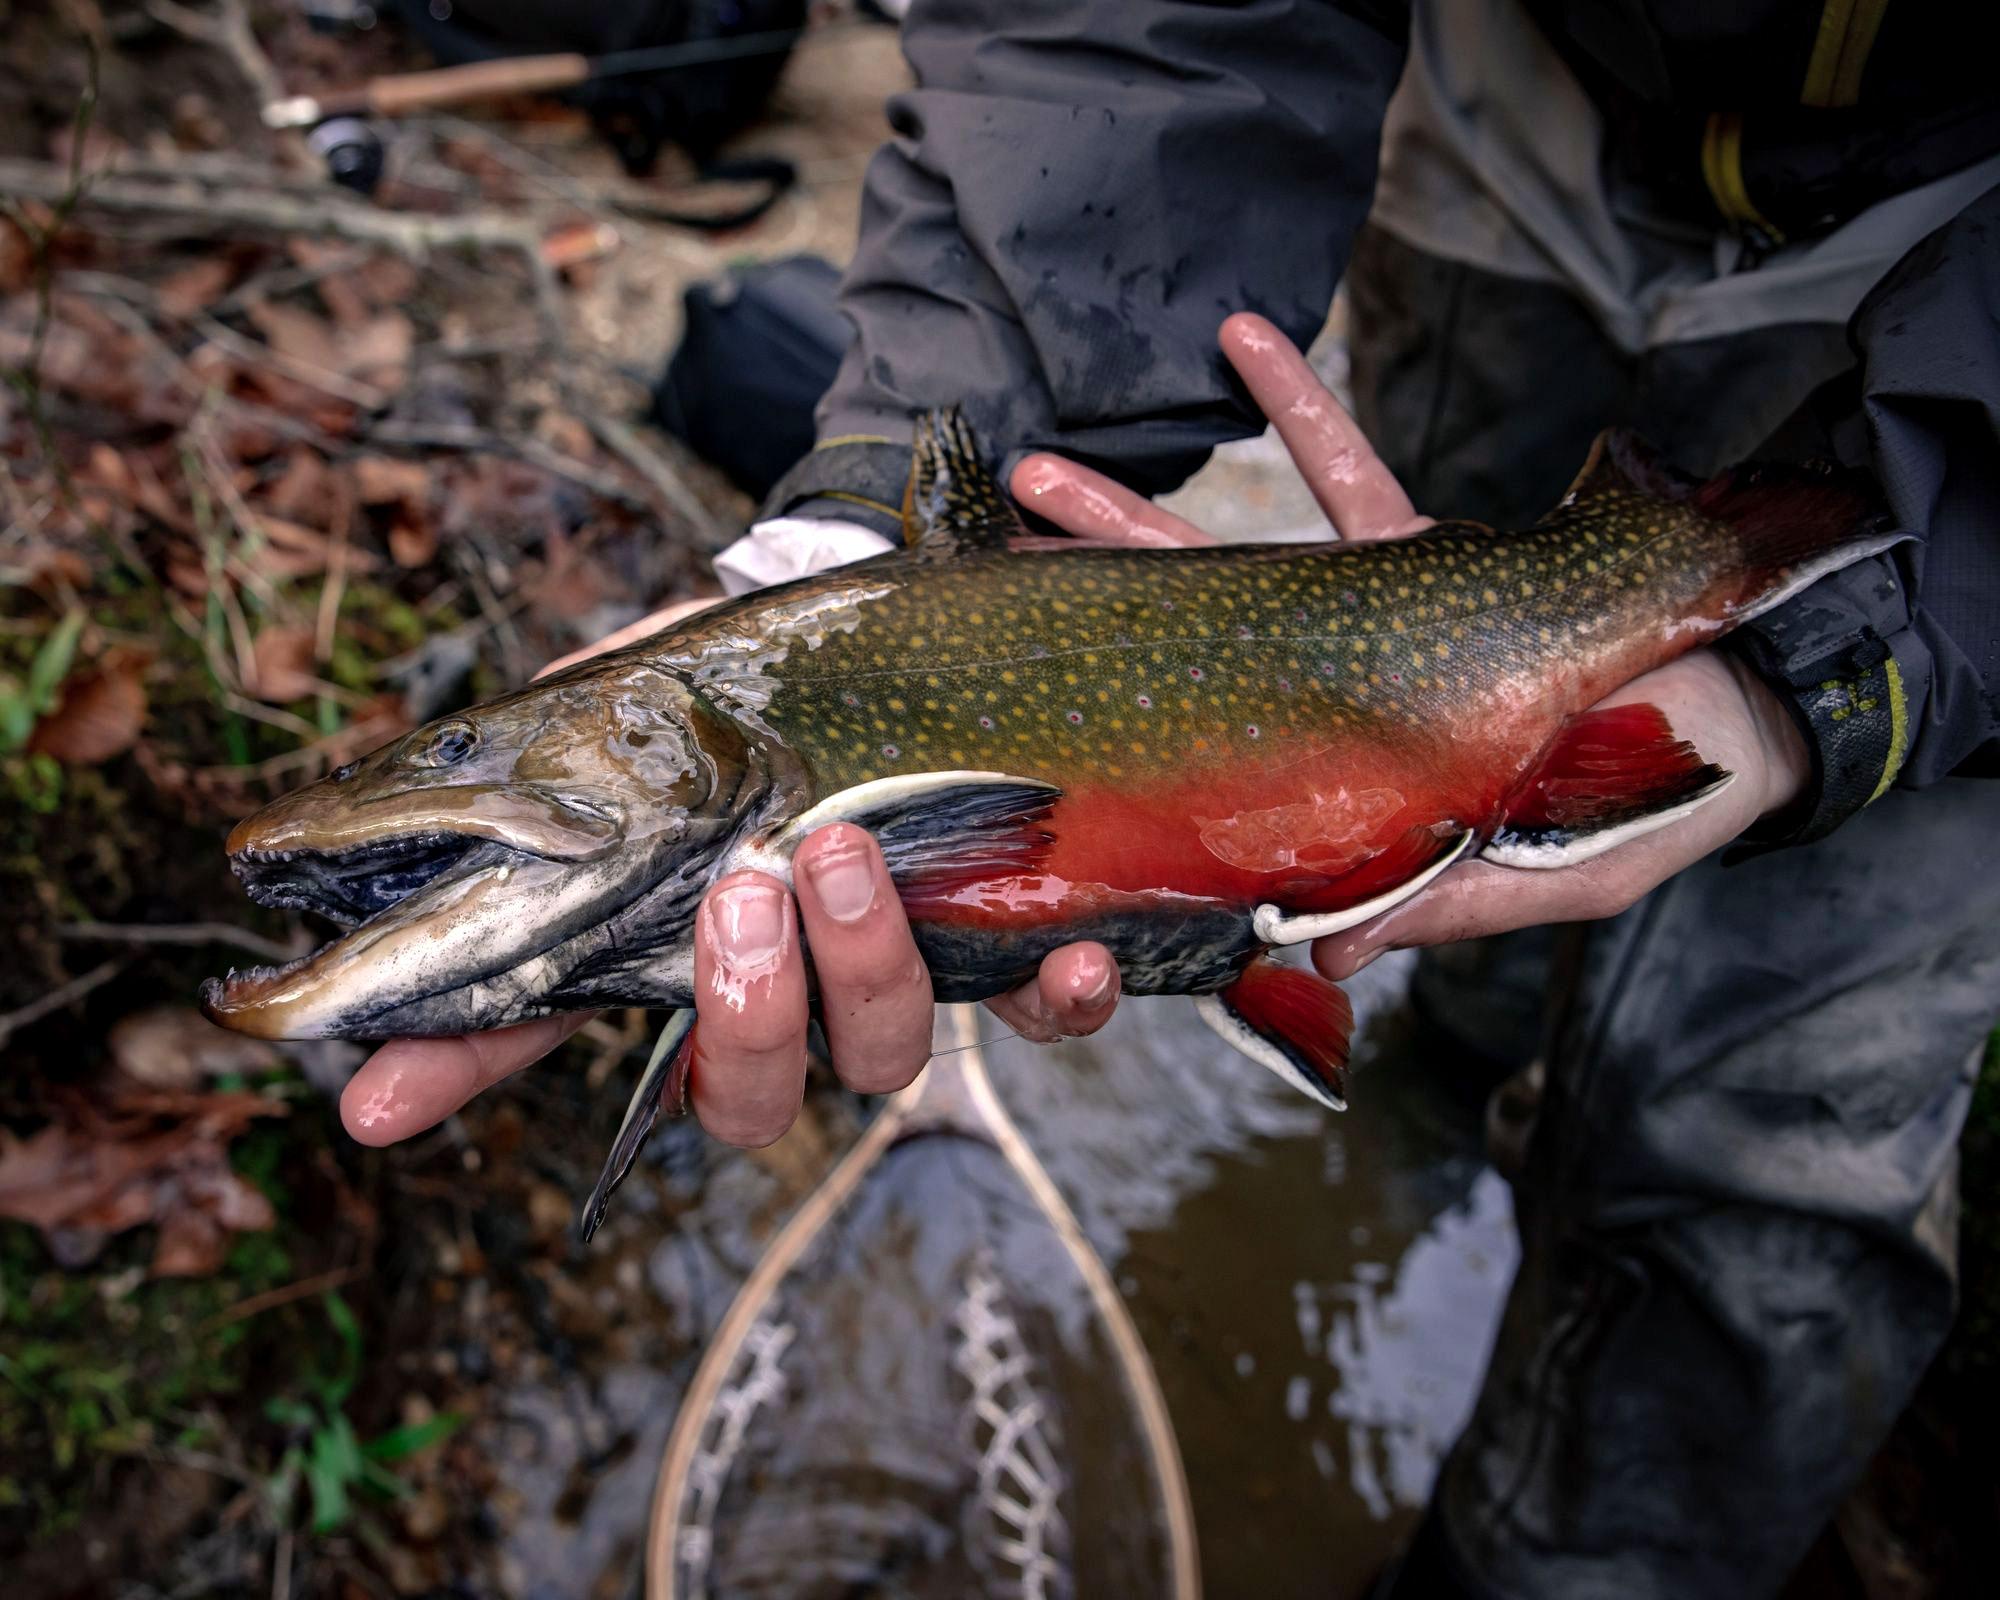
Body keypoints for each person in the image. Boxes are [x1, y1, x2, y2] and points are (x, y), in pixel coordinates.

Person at [337, 2, 2000, 1594]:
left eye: (473, 759)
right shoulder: (726, 725)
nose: (462, 781)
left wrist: (1847, 657)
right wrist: (856, 532)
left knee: (1769, 1145)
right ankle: (1443, 1103)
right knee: (1470, 912)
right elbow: (1134, 30)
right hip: (1524, 123)